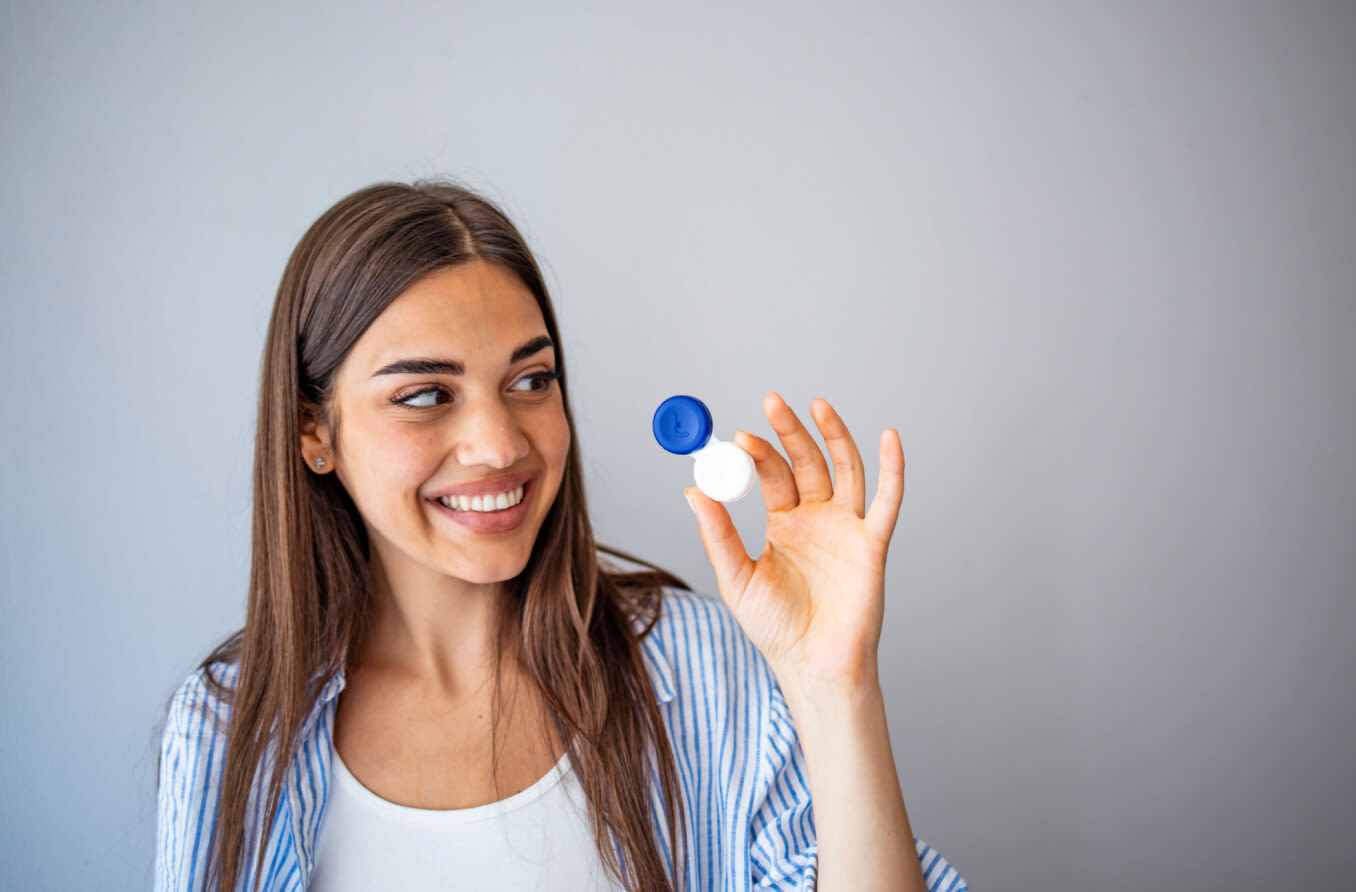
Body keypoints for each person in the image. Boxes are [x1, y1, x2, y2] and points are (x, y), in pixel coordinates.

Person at [153, 180, 969, 892]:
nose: (502, 444)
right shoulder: (226, 733)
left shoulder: (703, 668)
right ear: (313, 433)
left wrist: (835, 688)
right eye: (427, 395)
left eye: (530, 381)